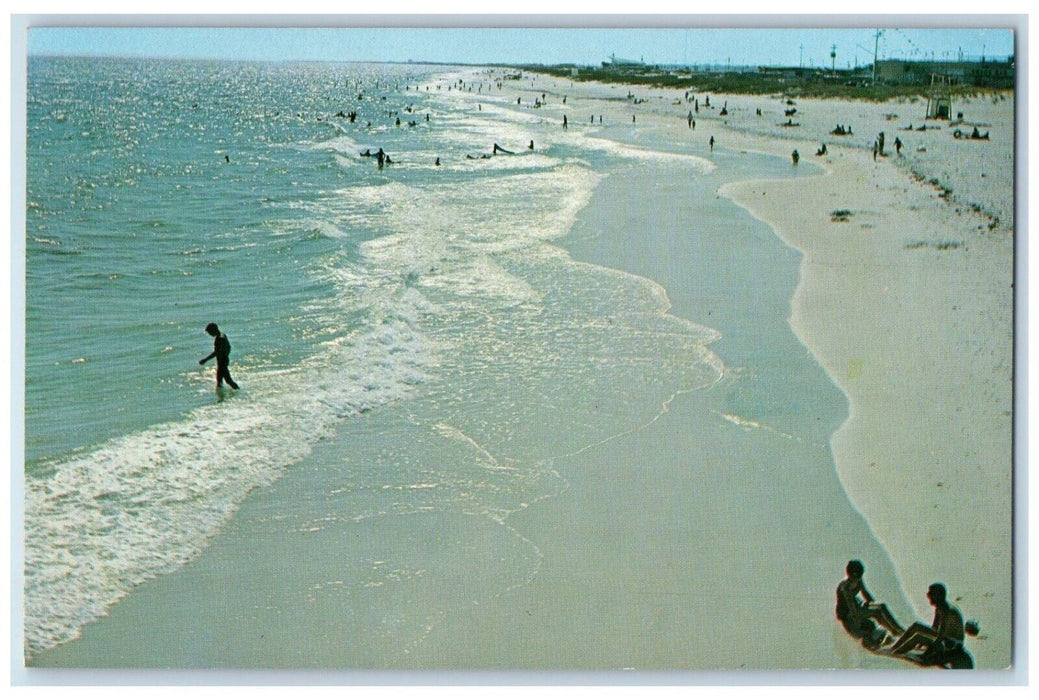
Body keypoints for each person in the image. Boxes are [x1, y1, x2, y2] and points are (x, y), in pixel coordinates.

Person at [888, 583, 975, 668]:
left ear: (939, 595)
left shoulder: (945, 609)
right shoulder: (940, 606)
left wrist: (927, 652)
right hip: (947, 638)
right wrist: (927, 641)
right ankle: (895, 648)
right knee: (917, 626)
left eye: (931, 593)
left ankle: (897, 652)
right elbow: (935, 628)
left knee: (918, 637)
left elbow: (940, 634)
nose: (928, 595)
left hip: (953, 644)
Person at [835, 560, 905, 647]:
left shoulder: (858, 580)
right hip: (848, 617)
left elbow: (866, 594)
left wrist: (874, 605)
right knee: (877, 611)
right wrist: (873, 610)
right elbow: (853, 611)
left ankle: (897, 630)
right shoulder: (845, 587)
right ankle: (895, 631)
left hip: (856, 608)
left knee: (881, 607)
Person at [199, 323, 239, 390]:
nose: (209, 334)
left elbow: (216, 352)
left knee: (228, 380)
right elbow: (229, 347)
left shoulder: (219, 339)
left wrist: (205, 360)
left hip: (222, 362)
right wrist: (226, 355)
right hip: (223, 361)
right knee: (219, 381)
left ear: (214, 330)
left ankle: (237, 391)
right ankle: (221, 398)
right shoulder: (223, 335)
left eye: (210, 332)